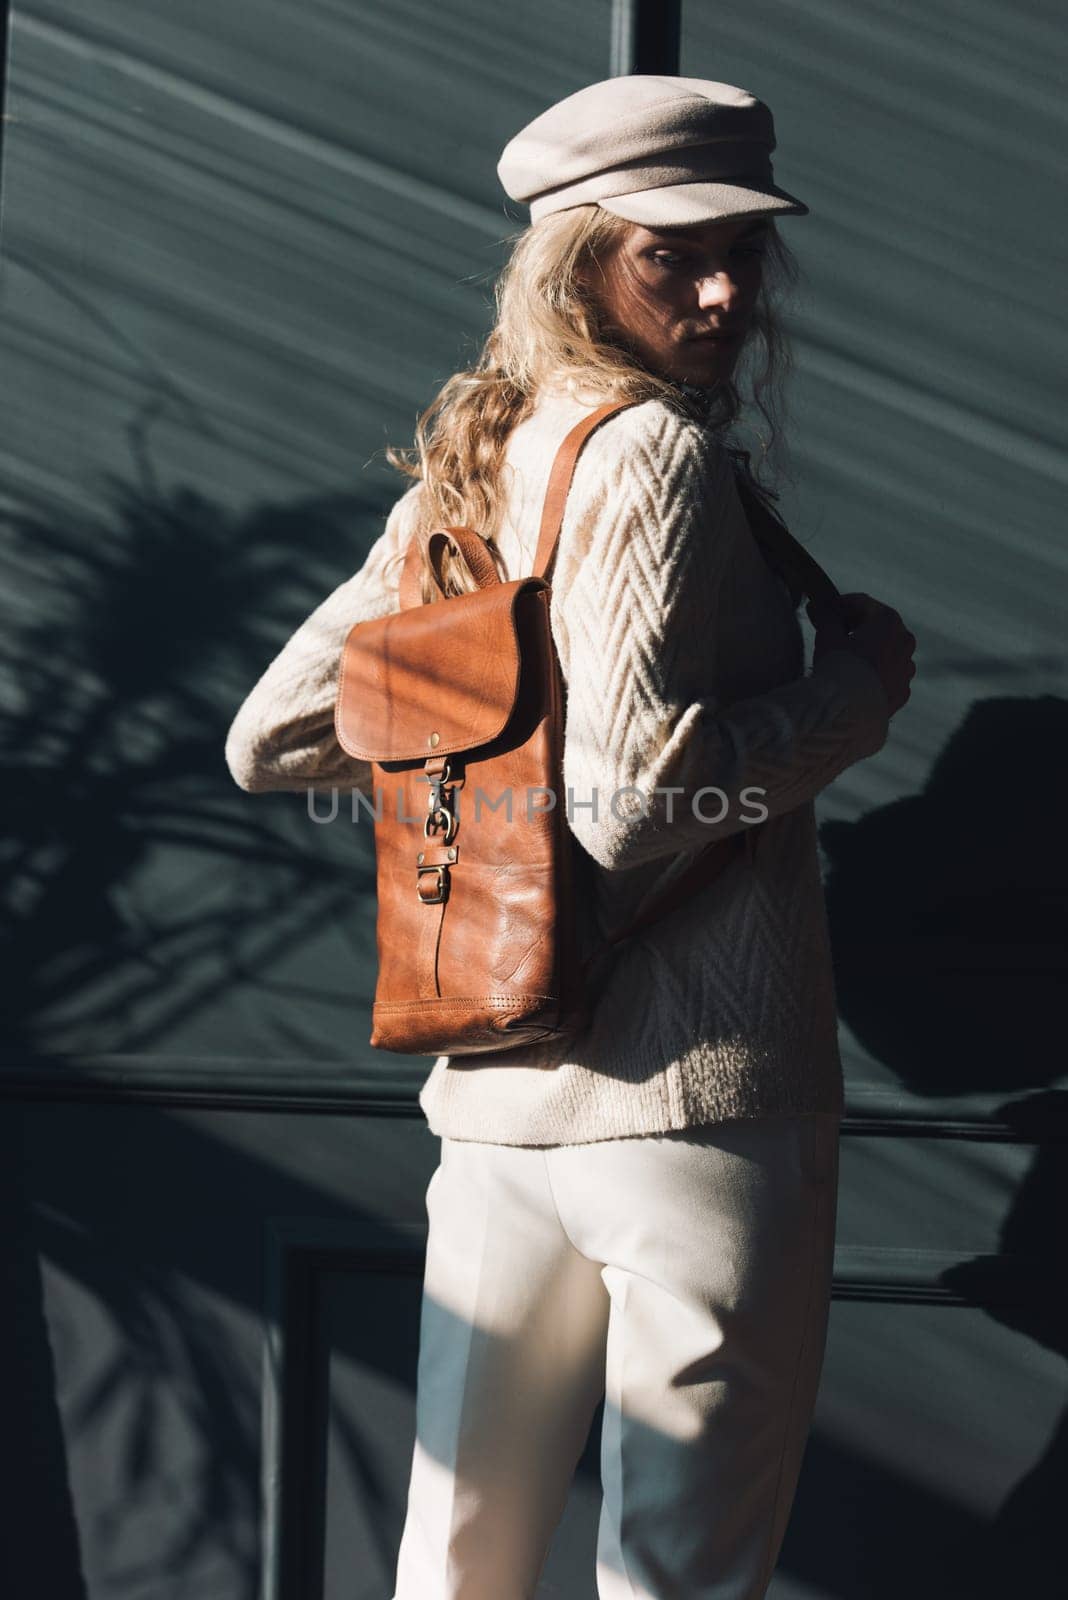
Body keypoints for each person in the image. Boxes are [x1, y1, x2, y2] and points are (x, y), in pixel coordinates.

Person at [225, 75, 916, 1600]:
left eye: (742, 245)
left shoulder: (478, 462)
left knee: (454, 1562)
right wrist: (851, 701)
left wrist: (473, 718)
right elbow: (636, 804)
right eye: (672, 253)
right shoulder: (656, 454)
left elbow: (271, 738)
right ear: (575, 260)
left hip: (495, 1101)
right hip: (699, 1112)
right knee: (679, 1574)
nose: (726, 284)